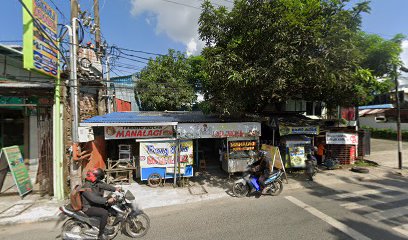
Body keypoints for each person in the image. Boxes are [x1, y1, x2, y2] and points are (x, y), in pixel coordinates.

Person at [81, 168, 121, 240]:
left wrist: (115, 189)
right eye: (99, 178)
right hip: (88, 207)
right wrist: (106, 200)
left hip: (94, 204)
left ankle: (105, 223)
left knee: (109, 206)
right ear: (96, 177)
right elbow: (94, 199)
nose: (99, 180)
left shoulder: (95, 183)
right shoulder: (86, 186)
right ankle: (101, 234)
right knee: (104, 213)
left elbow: (104, 185)